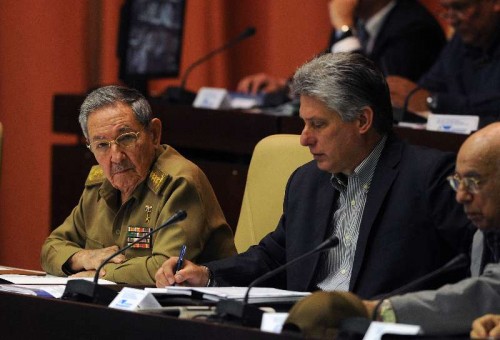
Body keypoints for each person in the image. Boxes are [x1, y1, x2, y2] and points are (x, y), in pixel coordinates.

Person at [156, 52, 474, 299]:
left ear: (362, 120)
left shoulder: (428, 177)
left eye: (318, 124)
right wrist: (206, 274)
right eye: (303, 123)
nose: (304, 138)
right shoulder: (306, 182)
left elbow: (473, 270)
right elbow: (273, 258)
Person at [41, 85, 237, 285]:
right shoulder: (99, 184)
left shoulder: (180, 182)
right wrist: (83, 258)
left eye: (126, 138)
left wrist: (101, 272)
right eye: (101, 145)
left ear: (153, 134)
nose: (116, 157)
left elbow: (166, 269)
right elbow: (51, 248)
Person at [362, 122, 500, 335]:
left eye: (474, 182)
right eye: (458, 182)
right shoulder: (484, 233)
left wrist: (380, 311)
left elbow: (492, 291)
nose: (460, 196)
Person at [237, 0, 445, 95]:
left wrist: (344, 28)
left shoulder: (414, 26)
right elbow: (329, 71)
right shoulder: (356, 24)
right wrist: (286, 86)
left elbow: (367, 91)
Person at [387, 0, 500, 127]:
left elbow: (494, 105)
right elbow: (424, 90)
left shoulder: (416, 25)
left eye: (460, 8)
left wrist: (434, 102)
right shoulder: (460, 41)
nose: (451, 21)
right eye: (446, 10)